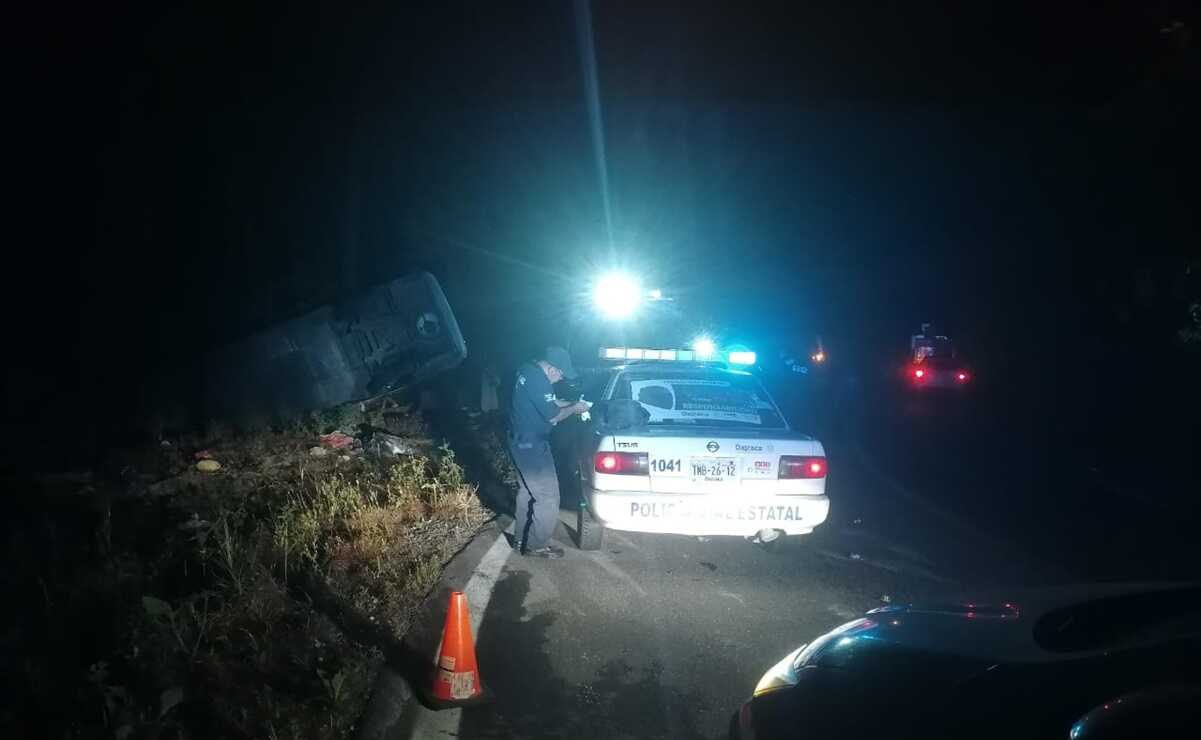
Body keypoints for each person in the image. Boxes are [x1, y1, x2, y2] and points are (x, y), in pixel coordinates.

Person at [508, 346, 590, 558]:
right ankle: (536, 545)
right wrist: (574, 409)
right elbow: (553, 416)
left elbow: (548, 403)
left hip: (520, 441)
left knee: (528, 493)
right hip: (532, 446)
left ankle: (521, 540)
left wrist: (573, 403)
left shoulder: (528, 371)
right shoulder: (539, 380)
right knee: (548, 497)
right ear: (553, 369)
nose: (560, 379)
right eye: (561, 374)